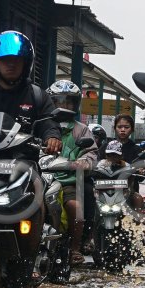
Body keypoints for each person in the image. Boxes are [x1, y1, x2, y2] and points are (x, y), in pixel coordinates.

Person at [0, 30, 62, 285]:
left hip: (23, 163)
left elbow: (49, 122)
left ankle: (28, 262)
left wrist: (52, 137)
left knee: (36, 199)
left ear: (25, 64)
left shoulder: (37, 95)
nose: (10, 64)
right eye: (5, 60)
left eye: (16, 60)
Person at [46, 80, 99, 267]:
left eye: (68, 102)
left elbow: (91, 152)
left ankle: (74, 249)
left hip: (68, 180)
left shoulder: (81, 129)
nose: (64, 106)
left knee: (76, 209)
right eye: (59, 101)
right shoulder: (43, 125)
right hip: (42, 178)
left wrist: (84, 162)